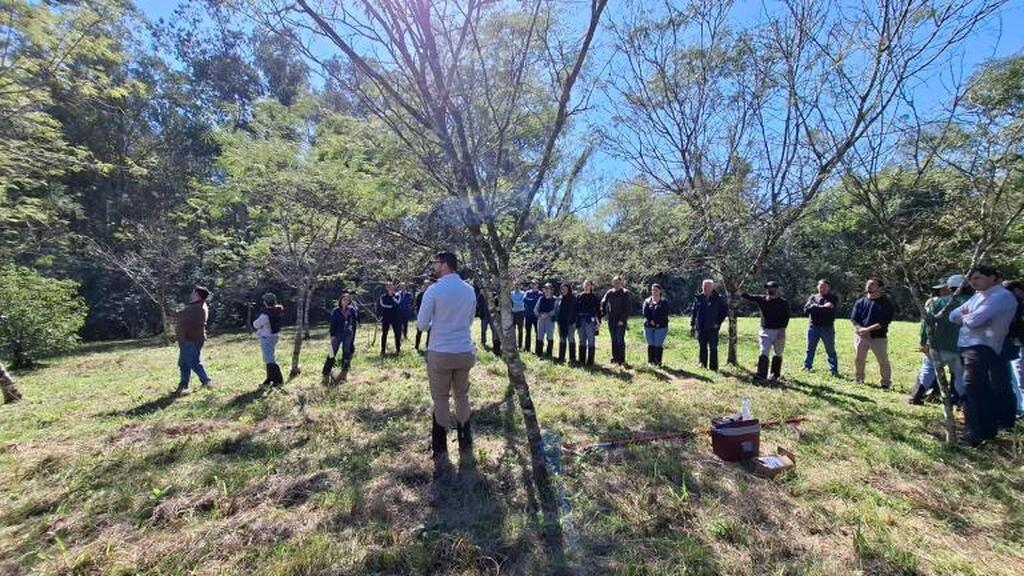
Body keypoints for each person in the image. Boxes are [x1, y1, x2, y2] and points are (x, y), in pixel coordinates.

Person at [416, 251, 477, 462]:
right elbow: (469, 321)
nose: (433, 266)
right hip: (464, 350)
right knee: (462, 396)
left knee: (441, 398)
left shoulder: (434, 290)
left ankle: (440, 448)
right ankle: (465, 442)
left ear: (444, 265)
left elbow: (422, 325)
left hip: (441, 351)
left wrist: (439, 324)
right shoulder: (469, 290)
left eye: (435, 262)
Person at [949, 266, 1019, 446]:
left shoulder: (1001, 296)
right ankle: (986, 429)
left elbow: (973, 321)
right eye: (971, 279)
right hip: (966, 346)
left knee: (973, 389)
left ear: (993, 277)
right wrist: (968, 316)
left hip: (982, 348)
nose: (973, 282)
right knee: (977, 389)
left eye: (978, 278)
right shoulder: (978, 296)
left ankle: (976, 433)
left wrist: (967, 316)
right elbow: (953, 315)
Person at [908, 275, 967, 405]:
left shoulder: (937, 302)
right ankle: (958, 401)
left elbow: (926, 322)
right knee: (958, 374)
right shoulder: (972, 301)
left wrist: (923, 341)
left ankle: (916, 396)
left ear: (949, 287)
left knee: (928, 370)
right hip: (961, 346)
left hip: (938, 344)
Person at [850, 277, 895, 389]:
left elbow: (884, 322)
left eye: (872, 284)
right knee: (859, 359)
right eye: (868, 284)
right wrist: (859, 329)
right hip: (861, 336)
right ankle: (859, 379)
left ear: (879, 288)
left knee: (883, 360)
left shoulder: (886, 303)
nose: (868, 286)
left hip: (878, 337)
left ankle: (885, 382)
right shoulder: (860, 302)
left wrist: (867, 330)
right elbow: (854, 319)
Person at [742, 281, 790, 382]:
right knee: (763, 352)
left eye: (771, 288)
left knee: (778, 353)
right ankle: (761, 375)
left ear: (777, 289)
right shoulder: (762, 299)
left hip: (779, 331)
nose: (769, 290)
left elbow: (786, 318)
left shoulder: (783, 303)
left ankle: (774, 375)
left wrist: (782, 330)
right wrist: (739, 289)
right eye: (768, 288)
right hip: (765, 331)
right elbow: (748, 296)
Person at [175, 286, 213, 395]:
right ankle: (184, 383)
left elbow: (180, 316)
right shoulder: (196, 306)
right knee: (183, 363)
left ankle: (206, 381)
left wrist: (167, 308)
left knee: (194, 362)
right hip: (186, 339)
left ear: (197, 295)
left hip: (191, 339)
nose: (191, 294)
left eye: (193, 293)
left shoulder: (198, 308)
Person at [803, 279, 840, 376]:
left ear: (828, 288)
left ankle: (833, 370)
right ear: (817, 287)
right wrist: (820, 307)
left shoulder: (833, 298)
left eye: (824, 287)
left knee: (830, 349)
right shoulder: (813, 297)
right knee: (810, 348)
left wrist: (815, 307)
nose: (822, 288)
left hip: (827, 328)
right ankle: (807, 366)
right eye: (820, 286)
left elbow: (829, 309)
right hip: (813, 327)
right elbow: (806, 310)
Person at [690, 279, 729, 371]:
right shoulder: (698, 298)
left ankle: (714, 367)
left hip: (713, 328)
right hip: (701, 327)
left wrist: (718, 323)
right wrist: (692, 324)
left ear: (712, 288)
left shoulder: (718, 298)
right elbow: (694, 312)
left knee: (713, 348)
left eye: (708, 287)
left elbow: (724, 311)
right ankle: (702, 364)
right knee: (702, 346)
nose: (706, 289)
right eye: (704, 287)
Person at [323, 291, 359, 382]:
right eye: (344, 299)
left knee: (346, 351)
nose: (345, 301)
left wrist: (353, 335)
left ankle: (344, 369)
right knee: (331, 351)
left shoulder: (351, 310)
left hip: (348, 334)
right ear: (341, 300)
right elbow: (332, 323)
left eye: (347, 300)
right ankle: (326, 370)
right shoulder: (336, 310)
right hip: (337, 333)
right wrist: (331, 335)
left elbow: (354, 323)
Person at [253, 292, 285, 388]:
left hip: (266, 337)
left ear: (265, 302)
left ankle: (278, 380)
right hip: (274, 336)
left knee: (269, 359)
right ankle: (269, 380)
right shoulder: (278, 310)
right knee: (269, 358)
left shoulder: (265, 314)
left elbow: (256, 324)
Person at [1004, 280, 1024, 419]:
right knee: (1015, 378)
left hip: (1020, 344)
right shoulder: (1016, 305)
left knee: (1020, 378)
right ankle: (1019, 407)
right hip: (1015, 345)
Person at [601, 276, 632, 366]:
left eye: (618, 282)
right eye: (614, 283)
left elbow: (628, 308)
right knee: (613, 339)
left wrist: (622, 319)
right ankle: (615, 358)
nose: (616, 284)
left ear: (621, 283)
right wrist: (603, 313)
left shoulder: (625, 293)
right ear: (612, 283)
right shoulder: (610, 292)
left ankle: (621, 360)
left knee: (620, 340)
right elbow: (603, 302)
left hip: (621, 320)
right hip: (611, 319)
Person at [642, 283, 670, 366]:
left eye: (656, 290)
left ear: (660, 291)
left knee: (658, 344)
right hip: (648, 326)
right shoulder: (647, 301)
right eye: (653, 290)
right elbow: (645, 312)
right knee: (651, 344)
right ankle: (650, 362)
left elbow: (665, 313)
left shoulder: (664, 302)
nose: (654, 292)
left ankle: (658, 362)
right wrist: (650, 321)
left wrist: (657, 322)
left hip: (661, 327)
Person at [576, 280, 601, 367]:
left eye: (588, 285)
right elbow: (576, 310)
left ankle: (590, 362)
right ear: (583, 286)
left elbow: (598, 310)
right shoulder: (579, 296)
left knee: (591, 341)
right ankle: (581, 360)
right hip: (580, 320)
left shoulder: (594, 297)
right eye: (585, 284)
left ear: (591, 286)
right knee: (581, 340)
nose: (586, 286)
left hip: (590, 321)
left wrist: (598, 323)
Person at [556, 282, 578, 364]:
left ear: (569, 289)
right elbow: (557, 311)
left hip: (571, 322)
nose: (564, 290)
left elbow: (576, 311)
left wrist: (575, 322)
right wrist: (558, 321)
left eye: (565, 289)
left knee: (571, 339)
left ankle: (572, 358)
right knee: (562, 339)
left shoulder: (573, 298)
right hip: (561, 323)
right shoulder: (559, 298)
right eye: (562, 289)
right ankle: (561, 358)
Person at [378, 282, 402, 356]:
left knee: (397, 334)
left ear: (394, 287)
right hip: (386, 318)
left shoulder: (397, 295)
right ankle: (383, 350)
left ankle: (398, 349)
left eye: (391, 286)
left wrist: (392, 297)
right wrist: (392, 306)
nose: (390, 288)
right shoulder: (383, 297)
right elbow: (382, 305)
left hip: (396, 317)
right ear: (386, 288)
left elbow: (398, 303)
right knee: (384, 334)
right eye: (388, 286)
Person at [534, 283, 557, 358]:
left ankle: (549, 353)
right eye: (545, 289)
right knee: (539, 336)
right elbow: (536, 309)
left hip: (549, 319)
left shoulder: (554, 299)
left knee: (549, 336)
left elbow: (556, 310)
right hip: (541, 318)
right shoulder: (541, 298)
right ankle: (539, 353)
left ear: (551, 290)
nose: (546, 290)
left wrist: (548, 314)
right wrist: (539, 315)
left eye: (548, 289)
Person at [475, 284, 499, 353]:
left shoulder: (494, 295)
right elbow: (477, 303)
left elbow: (497, 303)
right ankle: (483, 342)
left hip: (492, 316)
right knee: (483, 329)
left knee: (494, 330)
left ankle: (494, 342)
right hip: (484, 316)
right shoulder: (481, 296)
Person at [522, 280, 542, 351]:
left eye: (535, 284)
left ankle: (538, 349)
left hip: (537, 316)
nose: (533, 285)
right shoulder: (527, 292)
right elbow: (524, 299)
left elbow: (539, 302)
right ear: (530, 285)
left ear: (537, 285)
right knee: (528, 333)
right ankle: (527, 348)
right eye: (532, 284)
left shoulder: (540, 294)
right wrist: (534, 301)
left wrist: (530, 301)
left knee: (538, 333)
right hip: (528, 316)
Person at [414, 279, 432, 352]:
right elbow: (417, 306)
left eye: (428, 285)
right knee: (419, 332)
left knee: (430, 333)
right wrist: (418, 315)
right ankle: (416, 346)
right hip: (421, 315)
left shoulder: (432, 295)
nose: (426, 286)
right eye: (425, 285)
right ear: (423, 286)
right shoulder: (419, 295)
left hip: (430, 316)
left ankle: (428, 346)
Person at [511, 283, 527, 350]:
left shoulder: (523, 293)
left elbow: (522, 302)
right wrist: (517, 302)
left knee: (520, 330)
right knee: (512, 330)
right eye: (515, 285)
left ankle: (520, 345)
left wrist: (514, 301)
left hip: (520, 313)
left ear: (520, 286)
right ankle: (514, 344)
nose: (516, 286)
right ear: (513, 286)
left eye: (518, 285)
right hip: (513, 313)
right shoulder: (511, 293)